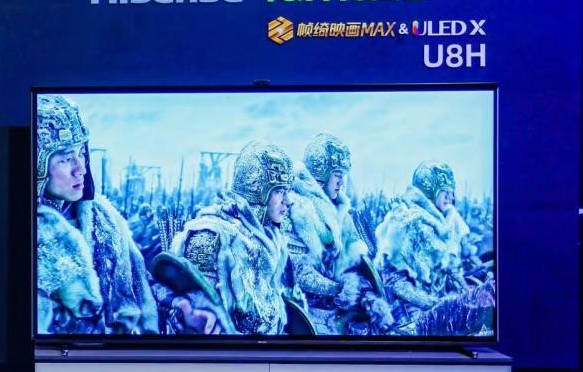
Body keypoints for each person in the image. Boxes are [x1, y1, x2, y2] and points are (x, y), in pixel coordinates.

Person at [35, 95, 158, 335]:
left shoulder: (107, 220)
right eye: (66, 158)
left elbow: (141, 289)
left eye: (82, 153)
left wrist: (180, 304)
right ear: (38, 163)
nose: (81, 169)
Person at [157, 140, 305, 335]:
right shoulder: (210, 237)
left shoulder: (273, 241)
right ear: (258, 190)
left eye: (288, 191)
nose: (289, 200)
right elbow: (193, 316)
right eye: (279, 191)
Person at [286, 134, 392, 334]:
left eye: (343, 175)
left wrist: (365, 295)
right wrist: (337, 289)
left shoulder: (342, 214)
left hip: (340, 311)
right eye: (337, 175)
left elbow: (355, 265)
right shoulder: (295, 210)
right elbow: (298, 272)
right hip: (308, 313)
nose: (342, 182)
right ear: (322, 174)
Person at [374, 161, 491, 334]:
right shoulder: (404, 221)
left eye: (451, 191)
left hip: (445, 301)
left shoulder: (448, 220)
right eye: (445, 191)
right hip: (413, 313)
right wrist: (435, 304)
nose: (450, 197)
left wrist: (464, 289)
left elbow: (451, 269)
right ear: (430, 191)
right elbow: (394, 282)